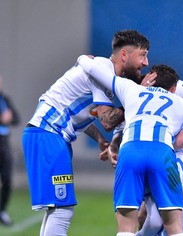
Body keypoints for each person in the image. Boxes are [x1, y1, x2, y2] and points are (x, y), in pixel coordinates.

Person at [76, 57, 183, 236]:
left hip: (131, 151)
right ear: (173, 89)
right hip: (162, 153)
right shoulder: (180, 101)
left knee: (126, 226)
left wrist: (83, 59)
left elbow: (94, 70)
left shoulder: (131, 88)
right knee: (174, 225)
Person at [21, 29, 150, 236]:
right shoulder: (102, 71)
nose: (146, 62)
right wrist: (139, 97)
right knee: (62, 210)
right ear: (124, 55)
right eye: (142, 55)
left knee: (57, 209)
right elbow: (107, 120)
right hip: (48, 136)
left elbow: (75, 112)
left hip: (46, 135)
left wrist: (99, 138)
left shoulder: (100, 70)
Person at [0, 75, 19, 226]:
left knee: (7, 178)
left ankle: (2, 211)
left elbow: (16, 119)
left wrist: (9, 118)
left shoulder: (5, 100)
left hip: (4, 142)